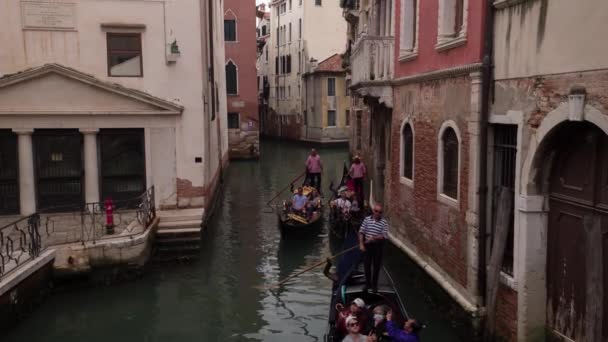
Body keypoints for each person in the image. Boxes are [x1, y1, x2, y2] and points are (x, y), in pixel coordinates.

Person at [359, 204, 388, 293]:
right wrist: (361, 244)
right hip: (367, 246)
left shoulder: (384, 222)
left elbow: (385, 236)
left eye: (380, 212)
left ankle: (374, 285)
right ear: (373, 211)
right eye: (376, 211)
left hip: (377, 247)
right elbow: (361, 232)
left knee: (376, 267)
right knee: (367, 266)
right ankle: (368, 284)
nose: (378, 213)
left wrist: (374, 238)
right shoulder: (367, 219)